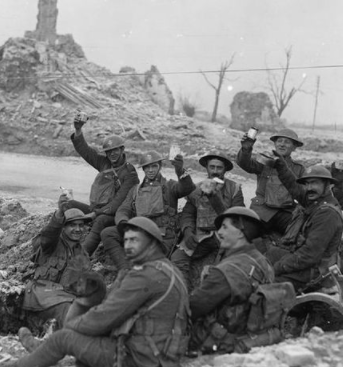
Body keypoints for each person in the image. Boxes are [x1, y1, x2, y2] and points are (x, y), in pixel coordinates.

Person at [0, 217, 189, 367]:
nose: (127, 246)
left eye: (134, 240)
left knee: (64, 338)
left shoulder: (145, 275)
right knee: (76, 341)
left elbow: (104, 318)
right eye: (125, 240)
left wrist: (72, 327)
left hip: (140, 359)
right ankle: (43, 351)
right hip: (160, 355)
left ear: (152, 243)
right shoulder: (168, 269)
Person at [188, 207, 292, 355]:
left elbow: (192, 308)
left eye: (225, 227)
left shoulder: (227, 270)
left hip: (223, 345)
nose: (219, 233)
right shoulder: (264, 262)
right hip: (254, 338)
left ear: (240, 232)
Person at [102, 150, 195, 271]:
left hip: (162, 235)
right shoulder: (135, 190)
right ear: (143, 169)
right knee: (108, 233)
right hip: (141, 232)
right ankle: (124, 269)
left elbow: (187, 188)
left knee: (148, 261)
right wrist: (123, 223)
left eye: (154, 166)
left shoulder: (170, 186)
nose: (150, 170)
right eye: (147, 167)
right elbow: (123, 209)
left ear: (160, 167)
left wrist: (180, 171)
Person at [171, 150, 244, 289]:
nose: (215, 171)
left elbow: (238, 217)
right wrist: (187, 232)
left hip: (225, 236)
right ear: (207, 168)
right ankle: (184, 294)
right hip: (202, 236)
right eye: (212, 167)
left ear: (225, 170)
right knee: (177, 259)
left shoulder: (235, 188)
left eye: (219, 168)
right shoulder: (196, 188)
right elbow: (188, 213)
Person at [69, 112, 140, 255]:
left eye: (115, 150)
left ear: (122, 150)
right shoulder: (104, 163)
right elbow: (86, 152)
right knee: (67, 205)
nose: (112, 154)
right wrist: (78, 130)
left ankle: (81, 256)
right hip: (97, 210)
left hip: (115, 215)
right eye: (109, 152)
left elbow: (117, 204)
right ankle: (62, 244)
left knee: (101, 220)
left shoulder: (130, 173)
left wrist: (94, 215)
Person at [19, 197, 93, 333]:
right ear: (63, 227)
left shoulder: (83, 255)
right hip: (40, 296)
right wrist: (59, 213)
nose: (78, 229)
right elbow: (49, 234)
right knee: (68, 311)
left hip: (65, 297)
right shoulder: (52, 244)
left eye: (81, 225)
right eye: (72, 225)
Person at [266, 164, 343, 292]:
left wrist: (278, 267)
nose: (309, 188)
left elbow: (309, 255)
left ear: (327, 186)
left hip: (317, 272)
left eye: (314, 183)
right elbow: (293, 187)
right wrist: (280, 165)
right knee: (264, 258)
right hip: (307, 264)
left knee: (264, 282)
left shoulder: (327, 213)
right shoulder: (315, 203)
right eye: (306, 184)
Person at [236, 128, 305, 235]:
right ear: (275, 144)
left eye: (287, 142)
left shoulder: (299, 169)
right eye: (279, 141)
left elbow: (303, 193)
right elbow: (245, 164)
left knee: (297, 237)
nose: (282, 144)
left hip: (286, 214)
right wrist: (246, 148)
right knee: (244, 236)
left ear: (294, 147)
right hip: (261, 211)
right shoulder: (266, 161)